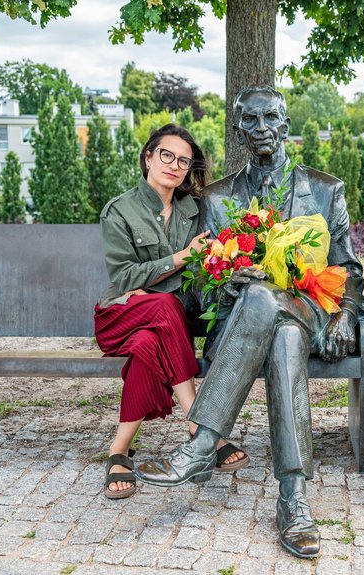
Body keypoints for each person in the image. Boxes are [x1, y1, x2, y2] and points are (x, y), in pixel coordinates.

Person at [136, 87, 364, 558]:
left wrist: (344, 312)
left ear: (285, 123)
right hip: (247, 323)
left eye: (270, 119)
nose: (261, 129)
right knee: (276, 326)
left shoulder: (324, 189)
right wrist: (226, 280)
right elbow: (200, 287)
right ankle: (294, 497)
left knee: (277, 309)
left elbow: (350, 268)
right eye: (251, 121)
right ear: (239, 130)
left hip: (312, 312)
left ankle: (202, 445)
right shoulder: (219, 197)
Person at [94, 124, 248, 501]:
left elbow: (207, 266)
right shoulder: (120, 210)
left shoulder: (194, 210)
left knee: (148, 344)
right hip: (120, 315)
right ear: (148, 156)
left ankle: (118, 451)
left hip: (164, 326)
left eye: (183, 161)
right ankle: (201, 426)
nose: (174, 166)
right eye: (167, 155)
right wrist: (181, 257)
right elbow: (125, 276)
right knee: (163, 306)